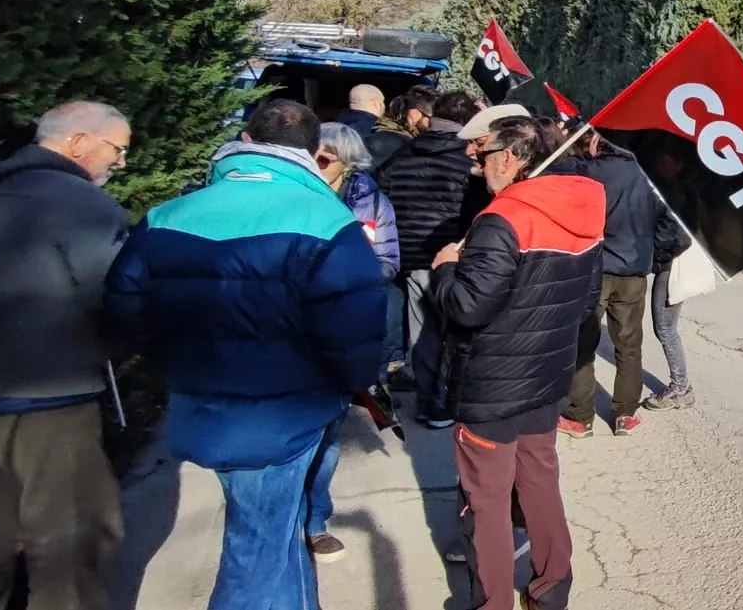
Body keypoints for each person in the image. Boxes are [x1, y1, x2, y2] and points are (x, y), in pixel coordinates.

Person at [106, 100, 386, 609]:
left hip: (202, 405)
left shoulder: (168, 215)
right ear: (312, 152)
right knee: (255, 553)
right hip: (283, 416)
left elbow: (124, 309)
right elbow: (357, 331)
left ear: (247, 140)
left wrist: (180, 362)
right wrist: (346, 383)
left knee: (276, 538)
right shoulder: (326, 219)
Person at [429, 116, 604, 610]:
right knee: (539, 483)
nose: (475, 162)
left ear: (509, 157)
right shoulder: (584, 207)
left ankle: (492, 603)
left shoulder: (500, 219)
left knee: (487, 502)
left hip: (492, 385)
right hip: (547, 377)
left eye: (481, 152)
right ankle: (552, 589)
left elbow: (467, 306)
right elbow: (587, 297)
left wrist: (445, 270)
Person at [0, 102, 131, 609]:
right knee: (69, 541)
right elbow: (116, 297)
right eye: (118, 149)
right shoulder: (84, 205)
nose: (121, 163)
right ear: (78, 142)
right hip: (53, 398)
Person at [304, 123, 402, 563]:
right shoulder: (295, 195)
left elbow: (388, 261)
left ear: (347, 161)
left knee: (328, 430)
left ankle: (314, 521)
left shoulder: (373, 203)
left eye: (323, 157)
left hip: (346, 325)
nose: (314, 164)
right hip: (295, 330)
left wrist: (346, 275)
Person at [376, 90, 486, 427]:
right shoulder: (469, 164)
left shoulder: (401, 156)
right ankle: (449, 399)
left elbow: (383, 202)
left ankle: (430, 401)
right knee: (458, 330)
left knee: (424, 332)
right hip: (458, 256)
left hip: (414, 259)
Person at [562, 130, 658, 439]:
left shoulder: (588, 171)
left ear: (597, 142)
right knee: (629, 345)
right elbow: (672, 227)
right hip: (634, 270)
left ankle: (580, 416)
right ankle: (625, 414)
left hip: (594, 267)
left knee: (583, 342)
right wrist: (652, 255)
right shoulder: (651, 177)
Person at [642, 213, 696, 411]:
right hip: (673, 265)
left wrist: (657, 257)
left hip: (671, 267)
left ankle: (681, 388)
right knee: (665, 328)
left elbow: (682, 239)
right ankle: (681, 386)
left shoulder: (672, 197)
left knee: (665, 328)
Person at [366, 84, 436, 173]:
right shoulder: (386, 143)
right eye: (433, 118)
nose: (437, 123)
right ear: (414, 114)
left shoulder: (409, 139)